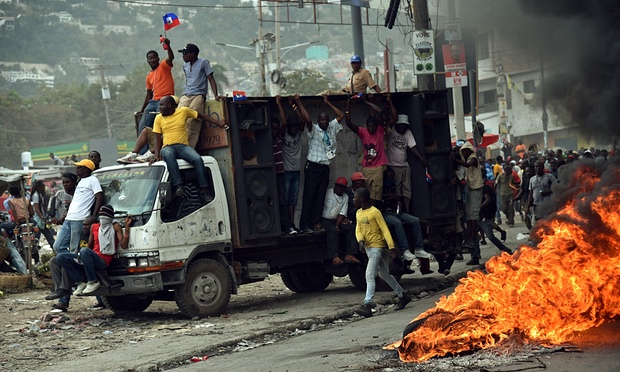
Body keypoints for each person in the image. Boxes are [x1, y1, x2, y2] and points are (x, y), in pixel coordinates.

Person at [47, 205, 132, 299]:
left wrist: (127, 228)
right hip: (91, 257)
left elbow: (123, 245)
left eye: (105, 217)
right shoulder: (94, 227)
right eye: (101, 217)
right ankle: (79, 282)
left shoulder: (115, 226)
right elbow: (89, 247)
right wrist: (79, 258)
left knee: (84, 251)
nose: (103, 220)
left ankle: (93, 281)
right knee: (59, 257)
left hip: (103, 260)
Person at [151, 95, 226, 199]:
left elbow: (201, 115)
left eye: (161, 105)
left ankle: (204, 189)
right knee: (168, 155)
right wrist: (156, 154)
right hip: (168, 147)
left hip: (183, 147)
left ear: (169, 105)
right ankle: (178, 185)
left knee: (197, 159)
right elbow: (157, 138)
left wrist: (218, 123)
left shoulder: (183, 111)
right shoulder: (158, 118)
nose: (159, 107)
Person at [353, 187, 410, 318]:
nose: (353, 200)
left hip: (377, 247)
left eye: (355, 197)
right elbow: (358, 229)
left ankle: (367, 304)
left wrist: (392, 249)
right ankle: (403, 295)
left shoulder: (375, 212)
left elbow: (385, 230)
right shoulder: (358, 213)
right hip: (368, 248)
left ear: (361, 199)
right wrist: (360, 240)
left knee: (369, 274)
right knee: (384, 274)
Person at [298, 95, 344, 233]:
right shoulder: (313, 129)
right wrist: (298, 102)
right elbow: (306, 118)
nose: (324, 122)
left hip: (325, 168)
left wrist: (328, 102)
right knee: (309, 196)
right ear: (318, 121)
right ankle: (304, 225)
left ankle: (315, 223)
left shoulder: (331, 128)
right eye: (322, 120)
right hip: (313, 167)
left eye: (326, 120)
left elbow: (341, 115)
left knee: (320, 197)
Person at [380, 168, 433, 273]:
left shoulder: (394, 187)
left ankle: (419, 248)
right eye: (388, 176)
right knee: (398, 223)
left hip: (397, 212)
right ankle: (405, 250)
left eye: (392, 176)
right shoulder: (381, 188)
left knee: (414, 220)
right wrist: (389, 198)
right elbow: (379, 203)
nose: (390, 179)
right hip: (386, 213)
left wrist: (398, 201)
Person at [53, 159, 103, 255]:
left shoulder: (93, 180)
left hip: (79, 218)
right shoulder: (80, 182)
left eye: (80, 167)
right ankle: (70, 264)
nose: (77, 169)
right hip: (69, 219)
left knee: (74, 249)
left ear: (87, 169)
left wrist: (94, 215)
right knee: (58, 246)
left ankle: (74, 267)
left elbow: (99, 195)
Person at [345, 97, 388, 205]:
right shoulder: (363, 132)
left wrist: (366, 101)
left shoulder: (380, 130)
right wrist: (347, 107)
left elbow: (380, 113)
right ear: (366, 126)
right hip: (367, 167)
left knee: (376, 193)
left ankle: (372, 211)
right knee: (366, 193)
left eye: (373, 126)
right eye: (369, 127)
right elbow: (349, 123)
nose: (371, 129)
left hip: (378, 166)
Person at [177, 43, 221, 148]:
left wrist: (216, 95)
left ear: (192, 54)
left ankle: (189, 147)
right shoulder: (185, 65)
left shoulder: (203, 62)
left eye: (185, 54)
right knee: (178, 117)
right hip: (186, 94)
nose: (183, 56)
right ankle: (178, 144)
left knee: (193, 121)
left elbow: (210, 78)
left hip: (198, 95)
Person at [137, 40, 175, 155]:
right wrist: (143, 109)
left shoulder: (164, 66)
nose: (152, 60)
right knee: (143, 126)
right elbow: (149, 94)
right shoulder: (149, 76)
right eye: (150, 58)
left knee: (160, 126)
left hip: (165, 100)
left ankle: (157, 150)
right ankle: (142, 154)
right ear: (147, 60)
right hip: (153, 102)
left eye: (154, 58)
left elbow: (171, 57)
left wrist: (168, 46)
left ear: (158, 58)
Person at [386, 113, 428, 213]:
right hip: (393, 165)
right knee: (397, 190)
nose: (402, 127)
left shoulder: (407, 132)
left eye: (404, 125)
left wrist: (421, 158)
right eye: (400, 125)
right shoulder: (391, 131)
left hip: (404, 165)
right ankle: (399, 212)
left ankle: (407, 211)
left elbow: (412, 147)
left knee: (407, 190)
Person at [276, 95, 306, 233]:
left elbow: (303, 120)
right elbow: (282, 124)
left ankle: (292, 224)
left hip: (296, 171)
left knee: (293, 201)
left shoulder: (298, 134)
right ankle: (287, 225)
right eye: (292, 126)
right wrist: (279, 104)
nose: (294, 128)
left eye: (295, 126)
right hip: (286, 171)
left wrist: (294, 105)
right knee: (285, 199)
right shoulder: (284, 135)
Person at [451, 142, 483, 265]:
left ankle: (471, 241)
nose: (464, 153)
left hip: (476, 188)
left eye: (466, 151)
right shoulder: (463, 165)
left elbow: (469, 164)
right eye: (463, 151)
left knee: (473, 216)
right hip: (471, 189)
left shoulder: (472, 158)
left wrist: (456, 160)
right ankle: (472, 244)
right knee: (470, 218)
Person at [319, 177, 360, 266]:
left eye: (342, 187)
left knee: (351, 228)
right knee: (332, 231)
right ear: (335, 186)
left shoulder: (345, 197)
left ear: (344, 188)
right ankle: (334, 257)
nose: (339, 188)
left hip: (335, 219)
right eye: (338, 186)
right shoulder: (328, 193)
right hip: (324, 219)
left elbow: (342, 213)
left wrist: (337, 225)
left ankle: (349, 254)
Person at [479, 170, 513, 258]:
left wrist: (479, 207)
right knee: (474, 235)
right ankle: (475, 255)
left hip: (485, 215)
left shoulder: (485, 187)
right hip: (482, 215)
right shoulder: (481, 187)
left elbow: (489, 199)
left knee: (490, 236)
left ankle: (506, 249)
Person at [0, 186, 30, 274]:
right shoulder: (26, 199)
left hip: (16, 222)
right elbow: (31, 212)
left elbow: (13, 211)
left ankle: (8, 239)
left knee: (2, 226)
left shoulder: (9, 201)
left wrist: (17, 222)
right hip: (28, 222)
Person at [31, 180, 55, 252]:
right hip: (38, 220)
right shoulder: (36, 195)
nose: (44, 188)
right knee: (36, 239)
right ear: (39, 187)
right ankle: (35, 257)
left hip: (41, 220)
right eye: (43, 186)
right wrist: (43, 218)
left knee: (49, 236)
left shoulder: (40, 194)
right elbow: (36, 209)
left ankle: (55, 250)